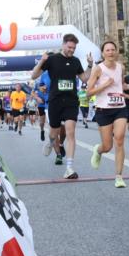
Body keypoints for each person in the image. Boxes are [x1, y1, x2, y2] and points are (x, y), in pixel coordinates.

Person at [31, 35, 93, 179]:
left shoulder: (76, 61)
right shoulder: (52, 60)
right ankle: (51, 142)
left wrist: (90, 65)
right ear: (63, 45)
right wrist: (41, 61)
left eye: (74, 48)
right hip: (55, 101)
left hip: (71, 101)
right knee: (54, 131)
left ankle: (69, 168)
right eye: (69, 47)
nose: (72, 50)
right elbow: (34, 75)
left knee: (71, 133)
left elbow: (84, 78)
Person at [87, 40, 129, 188]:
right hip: (103, 110)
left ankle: (119, 177)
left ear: (116, 51)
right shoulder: (98, 69)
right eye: (108, 50)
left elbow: (120, 84)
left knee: (119, 139)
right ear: (103, 53)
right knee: (107, 146)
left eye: (113, 50)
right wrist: (104, 85)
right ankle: (98, 150)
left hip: (120, 107)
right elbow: (88, 92)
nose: (111, 52)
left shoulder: (121, 67)